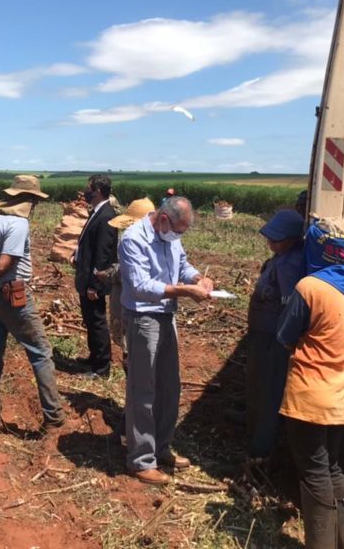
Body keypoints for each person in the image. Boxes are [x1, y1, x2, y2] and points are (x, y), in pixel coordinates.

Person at [277, 217, 344, 549]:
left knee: (315, 474)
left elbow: (284, 336)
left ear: (317, 248)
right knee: (332, 468)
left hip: (308, 399)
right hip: (342, 399)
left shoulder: (310, 288)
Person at [118, 196, 213, 485]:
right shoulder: (132, 239)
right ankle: (141, 460)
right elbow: (141, 286)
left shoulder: (170, 236)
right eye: (178, 230)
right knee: (143, 390)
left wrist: (198, 278)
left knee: (169, 386)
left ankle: (161, 448)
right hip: (143, 319)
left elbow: (182, 264)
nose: (178, 236)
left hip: (166, 316)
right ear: (162, 219)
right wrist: (185, 291)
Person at [0, 175, 66, 432]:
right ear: (31, 200)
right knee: (41, 352)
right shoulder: (18, 224)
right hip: (13, 294)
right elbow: (3, 264)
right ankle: (54, 417)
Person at [246, 209, 305, 467]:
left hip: (274, 336)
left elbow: (289, 304)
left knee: (269, 388)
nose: (270, 242)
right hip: (264, 332)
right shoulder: (282, 257)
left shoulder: (291, 263)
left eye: (276, 238)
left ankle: (260, 448)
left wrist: (283, 338)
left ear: (292, 239)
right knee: (259, 381)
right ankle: (252, 421)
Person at [94, 197, 156, 373]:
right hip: (149, 306)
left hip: (130, 304)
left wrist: (105, 275)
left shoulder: (136, 241)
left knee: (131, 352)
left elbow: (125, 272)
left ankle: (134, 394)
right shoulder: (158, 241)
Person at [72, 174, 118, 378]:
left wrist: (95, 285)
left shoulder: (107, 215)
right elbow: (89, 244)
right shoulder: (98, 212)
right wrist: (77, 255)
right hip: (87, 277)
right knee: (90, 320)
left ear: (98, 191)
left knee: (97, 322)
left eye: (88, 188)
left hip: (94, 282)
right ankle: (94, 357)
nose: (86, 191)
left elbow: (104, 254)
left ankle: (102, 368)